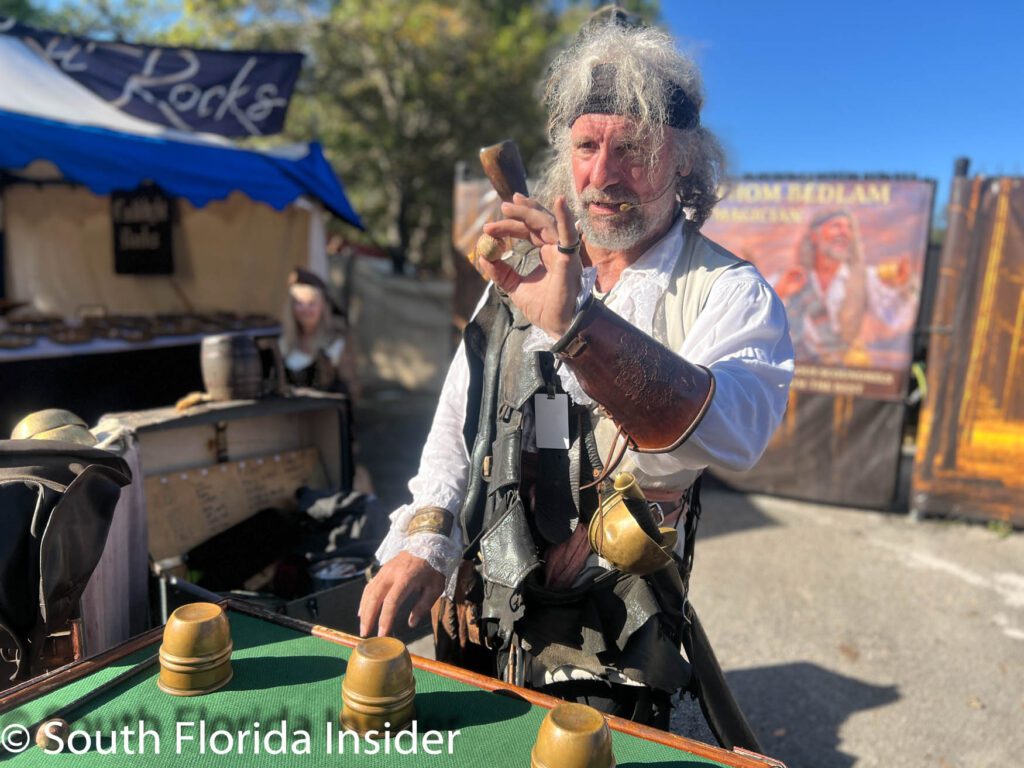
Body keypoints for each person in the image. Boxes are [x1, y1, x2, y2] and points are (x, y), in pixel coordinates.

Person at [359, 22, 794, 734]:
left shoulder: (727, 290)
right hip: (481, 592)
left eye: (635, 149)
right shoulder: (524, 271)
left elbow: (734, 432)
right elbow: (458, 419)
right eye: (588, 146)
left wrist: (576, 324)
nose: (604, 175)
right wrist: (427, 536)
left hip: (615, 616)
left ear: (686, 161)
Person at [774, 209, 917, 366]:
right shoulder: (791, 277)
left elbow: (894, 318)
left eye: (849, 227)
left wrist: (903, 287)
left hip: (843, 373)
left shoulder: (865, 277)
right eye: (836, 226)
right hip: (795, 371)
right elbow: (760, 323)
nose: (844, 232)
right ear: (814, 236)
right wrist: (780, 292)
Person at [279, 267, 361, 399]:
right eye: (299, 303)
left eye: (311, 304)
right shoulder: (283, 342)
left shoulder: (336, 342)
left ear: (322, 306)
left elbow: (352, 391)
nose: (305, 310)